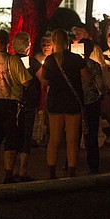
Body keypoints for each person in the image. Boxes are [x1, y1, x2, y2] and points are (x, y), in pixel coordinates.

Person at [0, 30, 32, 185]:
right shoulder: (13, 61)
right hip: (10, 104)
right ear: (8, 43)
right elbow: (27, 83)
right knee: (10, 141)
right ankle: (8, 175)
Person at [38, 29, 90, 179]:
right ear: (67, 41)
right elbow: (87, 79)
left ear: (54, 42)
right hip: (73, 101)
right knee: (72, 139)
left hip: (55, 101)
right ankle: (72, 170)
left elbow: (45, 82)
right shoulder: (76, 59)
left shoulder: (49, 60)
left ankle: (52, 172)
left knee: (54, 138)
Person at [10, 32, 39, 182]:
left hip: (12, 102)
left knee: (14, 136)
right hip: (28, 103)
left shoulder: (9, 61)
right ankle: (22, 170)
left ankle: (12, 168)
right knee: (26, 135)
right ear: (28, 45)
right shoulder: (32, 62)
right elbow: (43, 78)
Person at [81, 39, 106, 174]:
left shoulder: (72, 65)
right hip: (91, 101)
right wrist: (104, 93)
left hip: (76, 101)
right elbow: (100, 84)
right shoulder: (94, 65)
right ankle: (93, 164)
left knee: (74, 133)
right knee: (92, 133)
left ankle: (70, 162)